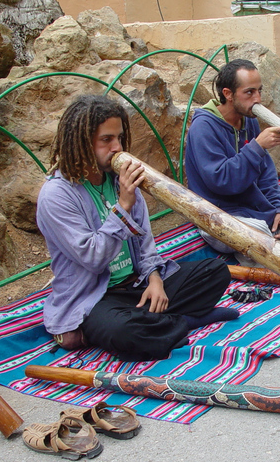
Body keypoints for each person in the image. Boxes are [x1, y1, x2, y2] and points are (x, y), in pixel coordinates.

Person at [36, 95, 238, 362]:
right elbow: (93, 258)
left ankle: (160, 322)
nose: (117, 147)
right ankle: (182, 320)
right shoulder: (56, 195)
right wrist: (122, 207)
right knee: (126, 332)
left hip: (137, 285)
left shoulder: (121, 180)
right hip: (95, 296)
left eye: (119, 137)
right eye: (106, 140)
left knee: (215, 271)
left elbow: (145, 243)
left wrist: (154, 279)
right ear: (82, 143)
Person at [185, 59, 280, 261]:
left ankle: (257, 256)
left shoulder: (249, 121)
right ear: (228, 94)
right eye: (249, 92)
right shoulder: (204, 127)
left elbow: (267, 176)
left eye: (259, 91)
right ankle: (267, 257)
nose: (257, 99)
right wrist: (257, 148)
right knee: (258, 228)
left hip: (255, 210)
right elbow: (221, 181)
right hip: (220, 218)